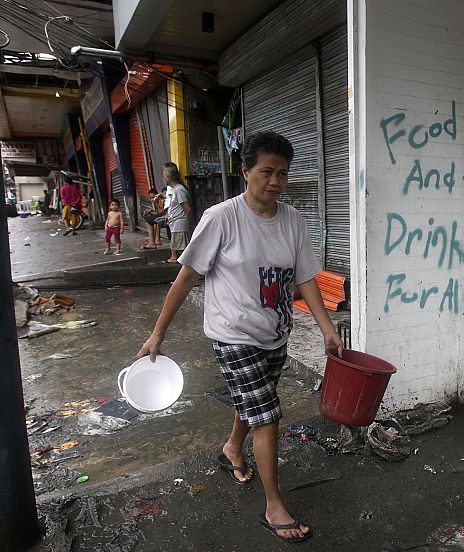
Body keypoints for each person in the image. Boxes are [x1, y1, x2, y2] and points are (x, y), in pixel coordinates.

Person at [137, 132, 343, 543]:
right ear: (246, 172)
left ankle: (232, 448)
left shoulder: (293, 221)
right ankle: (273, 505)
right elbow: (187, 276)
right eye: (266, 171)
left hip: (275, 334)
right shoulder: (221, 218)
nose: (275, 181)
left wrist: (326, 326)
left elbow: (305, 278)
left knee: (253, 400)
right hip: (232, 334)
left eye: (282, 174)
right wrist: (157, 333)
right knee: (267, 415)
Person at [162, 163, 193, 263]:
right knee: (176, 242)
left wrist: (189, 221)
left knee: (183, 245)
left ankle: (189, 263)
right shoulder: (176, 189)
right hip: (175, 222)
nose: (163, 179)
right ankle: (174, 257)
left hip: (180, 222)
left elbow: (187, 208)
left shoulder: (179, 189)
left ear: (169, 177)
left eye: (164, 176)